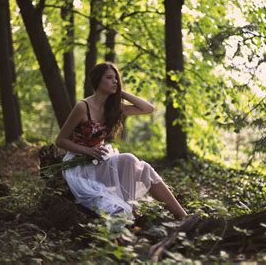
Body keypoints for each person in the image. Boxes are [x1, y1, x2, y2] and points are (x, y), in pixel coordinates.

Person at [55, 62, 188, 220]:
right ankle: (129, 210)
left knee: (143, 168)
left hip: (100, 161)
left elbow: (148, 109)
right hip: (80, 165)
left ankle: (183, 217)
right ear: (98, 80)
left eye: (116, 78)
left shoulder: (114, 107)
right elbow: (61, 140)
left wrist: (121, 93)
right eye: (109, 78)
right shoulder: (82, 107)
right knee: (130, 160)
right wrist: (88, 151)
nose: (115, 81)